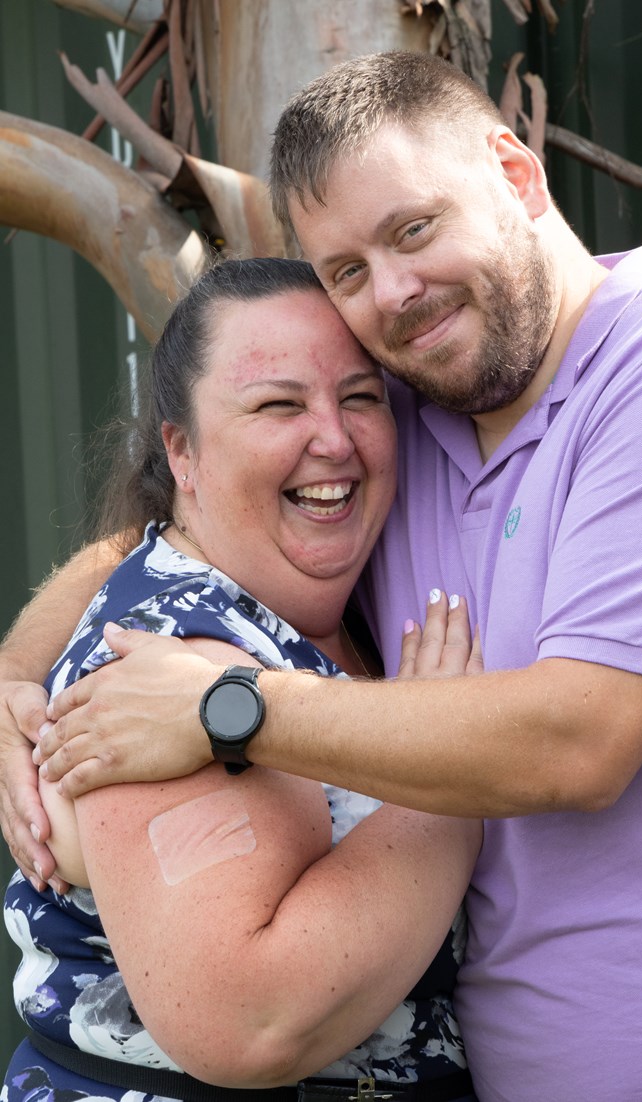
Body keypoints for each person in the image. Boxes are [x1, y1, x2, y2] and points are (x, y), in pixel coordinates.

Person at [2, 48, 642, 1102]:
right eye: (345, 271)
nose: (393, 293)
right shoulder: (407, 415)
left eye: (413, 230)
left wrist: (225, 708)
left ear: (515, 174)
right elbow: (185, 523)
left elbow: (582, 739)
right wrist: (14, 677)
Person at [1, 255, 481, 1102]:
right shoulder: (157, 669)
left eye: (361, 397)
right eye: (278, 406)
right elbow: (250, 1021)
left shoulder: (341, 578)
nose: (334, 439)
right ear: (181, 452)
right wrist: (455, 781)